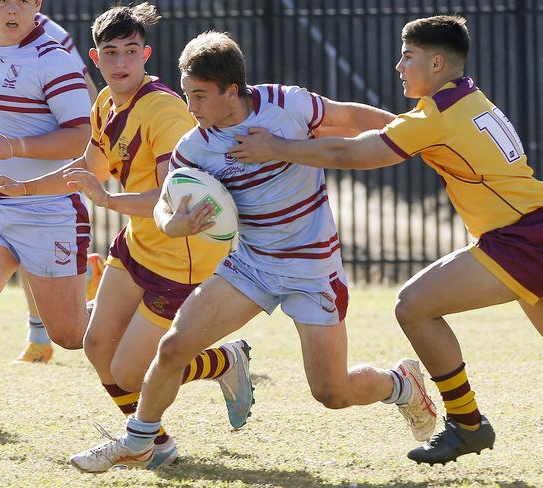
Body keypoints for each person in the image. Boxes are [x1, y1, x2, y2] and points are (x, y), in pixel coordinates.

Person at [228, 15, 543, 465]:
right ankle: (467, 424)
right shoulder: (469, 100)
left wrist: (275, 147)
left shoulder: (439, 114)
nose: (398, 66)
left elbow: (350, 153)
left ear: (436, 63)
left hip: (520, 240)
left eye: (407, 57)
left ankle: (467, 424)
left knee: (412, 306)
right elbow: (385, 134)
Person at [66, 30, 437, 473]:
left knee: (331, 393)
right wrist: (174, 224)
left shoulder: (286, 105)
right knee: (173, 346)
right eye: (187, 95)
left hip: (311, 268)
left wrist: (411, 134)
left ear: (232, 90)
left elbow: (348, 118)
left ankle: (401, 383)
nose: (192, 108)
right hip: (250, 265)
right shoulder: (196, 145)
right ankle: (140, 441)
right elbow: (166, 203)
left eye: (200, 96)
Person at [0, 4, 254, 469]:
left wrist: (106, 201)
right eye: (111, 52)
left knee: (132, 369)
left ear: (146, 54)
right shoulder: (104, 103)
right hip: (137, 243)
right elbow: (87, 170)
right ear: (95, 58)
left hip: (181, 255)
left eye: (131, 51)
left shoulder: (164, 110)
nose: (121, 61)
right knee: (95, 346)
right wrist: (23, 187)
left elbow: (173, 201)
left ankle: (224, 362)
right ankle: (157, 444)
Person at [0, 0, 91, 401]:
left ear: (37, 3)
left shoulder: (53, 58)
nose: (12, 8)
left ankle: (209, 355)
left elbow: (81, 136)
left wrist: (13, 146)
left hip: (48, 212)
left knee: (71, 336)